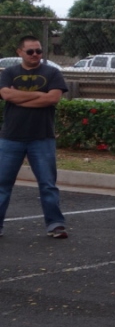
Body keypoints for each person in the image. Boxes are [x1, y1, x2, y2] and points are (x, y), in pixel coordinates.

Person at [0, 36, 70, 239]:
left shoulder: (52, 73)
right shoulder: (9, 73)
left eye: (38, 51)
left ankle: (55, 224)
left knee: (48, 184)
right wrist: (40, 95)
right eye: (30, 51)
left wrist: (20, 98)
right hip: (11, 138)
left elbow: (53, 98)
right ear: (19, 52)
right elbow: (6, 95)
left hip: (42, 137)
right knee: (3, 184)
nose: (35, 55)